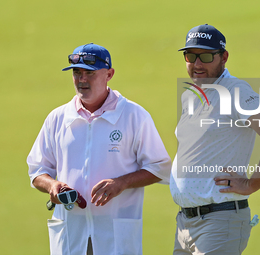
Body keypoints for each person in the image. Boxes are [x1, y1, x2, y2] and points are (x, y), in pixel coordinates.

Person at [27, 43, 171, 255]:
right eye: (77, 72)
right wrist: (52, 186)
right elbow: (37, 170)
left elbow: (160, 167)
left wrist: (121, 183)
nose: (82, 80)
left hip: (115, 238)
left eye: (89, 73)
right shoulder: (57, 118)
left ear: (109, 74)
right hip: (70, 236)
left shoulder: (134, 116)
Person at [170, 24, 260, 254]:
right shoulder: (191, 95)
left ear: (223, 57)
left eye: (206, 56)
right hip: (185, 225)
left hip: (219, 221)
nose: (197, 64)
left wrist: (252, 183)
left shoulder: (236, 91)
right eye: (190, 56)